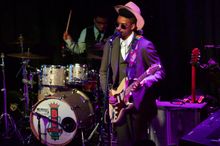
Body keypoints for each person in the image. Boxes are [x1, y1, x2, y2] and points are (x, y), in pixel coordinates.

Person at [99, 1, 165, 146]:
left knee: (137, 142)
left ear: (133, 26)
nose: (118, 28)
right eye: (117, 24)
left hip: (139, 105)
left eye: (123, 26)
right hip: (119, 103)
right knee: (122, 142)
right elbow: (103, 72)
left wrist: (146, 81)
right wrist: (109, 94)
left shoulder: (144, 45)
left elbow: (160, 72)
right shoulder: (111, 44)